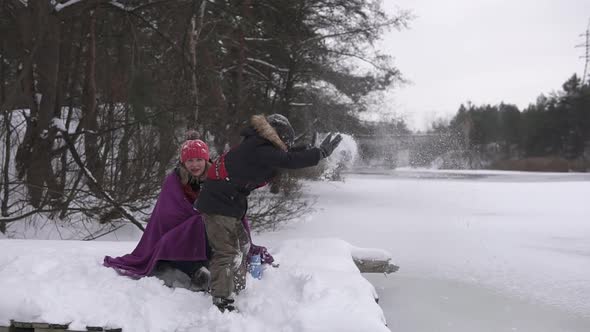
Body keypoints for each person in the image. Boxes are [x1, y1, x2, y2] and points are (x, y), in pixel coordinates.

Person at [195, 114, 342, 312]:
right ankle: (222, 300)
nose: (287, 145)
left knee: (244, 246)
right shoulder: (259, 148)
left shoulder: (258, 144)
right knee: (227, 252)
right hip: (217, 205)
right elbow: (288, 160)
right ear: (277, 136)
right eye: (286, 141)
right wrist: (320, 153)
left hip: (227, 203)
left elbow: (285, 156)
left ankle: (235, 288)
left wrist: (307, 149)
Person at [103, 135, 222, 290]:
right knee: (170, 242)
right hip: (177, 235)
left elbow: (226, 206)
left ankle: (211, 265)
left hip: (209, 233)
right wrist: (194, 219)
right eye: (190, 161)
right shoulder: (174, 180)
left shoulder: (216, 179)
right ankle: (196, 272)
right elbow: (167, 213)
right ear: (183, 162)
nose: (194, 165)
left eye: (199, 160)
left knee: (205, 224)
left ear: (206, 160)